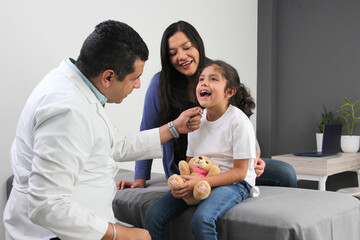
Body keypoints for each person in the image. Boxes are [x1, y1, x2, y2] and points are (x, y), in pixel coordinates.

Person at [3, 20, 203, 240]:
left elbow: (114, 145)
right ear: (108, 77)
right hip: (53, 235)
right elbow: (47, 206)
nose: (137, 85)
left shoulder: (77, 89)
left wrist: (174, 128)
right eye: (134, 78)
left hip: (87, 224)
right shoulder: (68, 110)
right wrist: (121, 234)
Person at [116, 20, 296, 190]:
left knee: (285, 173)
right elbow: (148, 129)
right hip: (188, 167)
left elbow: (241, 122)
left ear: (198, 46)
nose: (182, 57)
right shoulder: (160, 84)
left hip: (227, 165)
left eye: (187, 48)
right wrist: (139, 179)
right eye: (173, 53)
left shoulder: (218, 73)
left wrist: (254, 157)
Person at [145, 59, 259, 239]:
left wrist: (200, 183)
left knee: (202, 218)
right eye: (201, 79)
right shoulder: (195, 120)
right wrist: (186, 183)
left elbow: (240, 172)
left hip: (234, 182)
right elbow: (191, 162)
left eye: (213, 79)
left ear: (229, 92)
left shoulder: (239, 122)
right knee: (153, 214)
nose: (204, 83)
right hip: (201, 179)